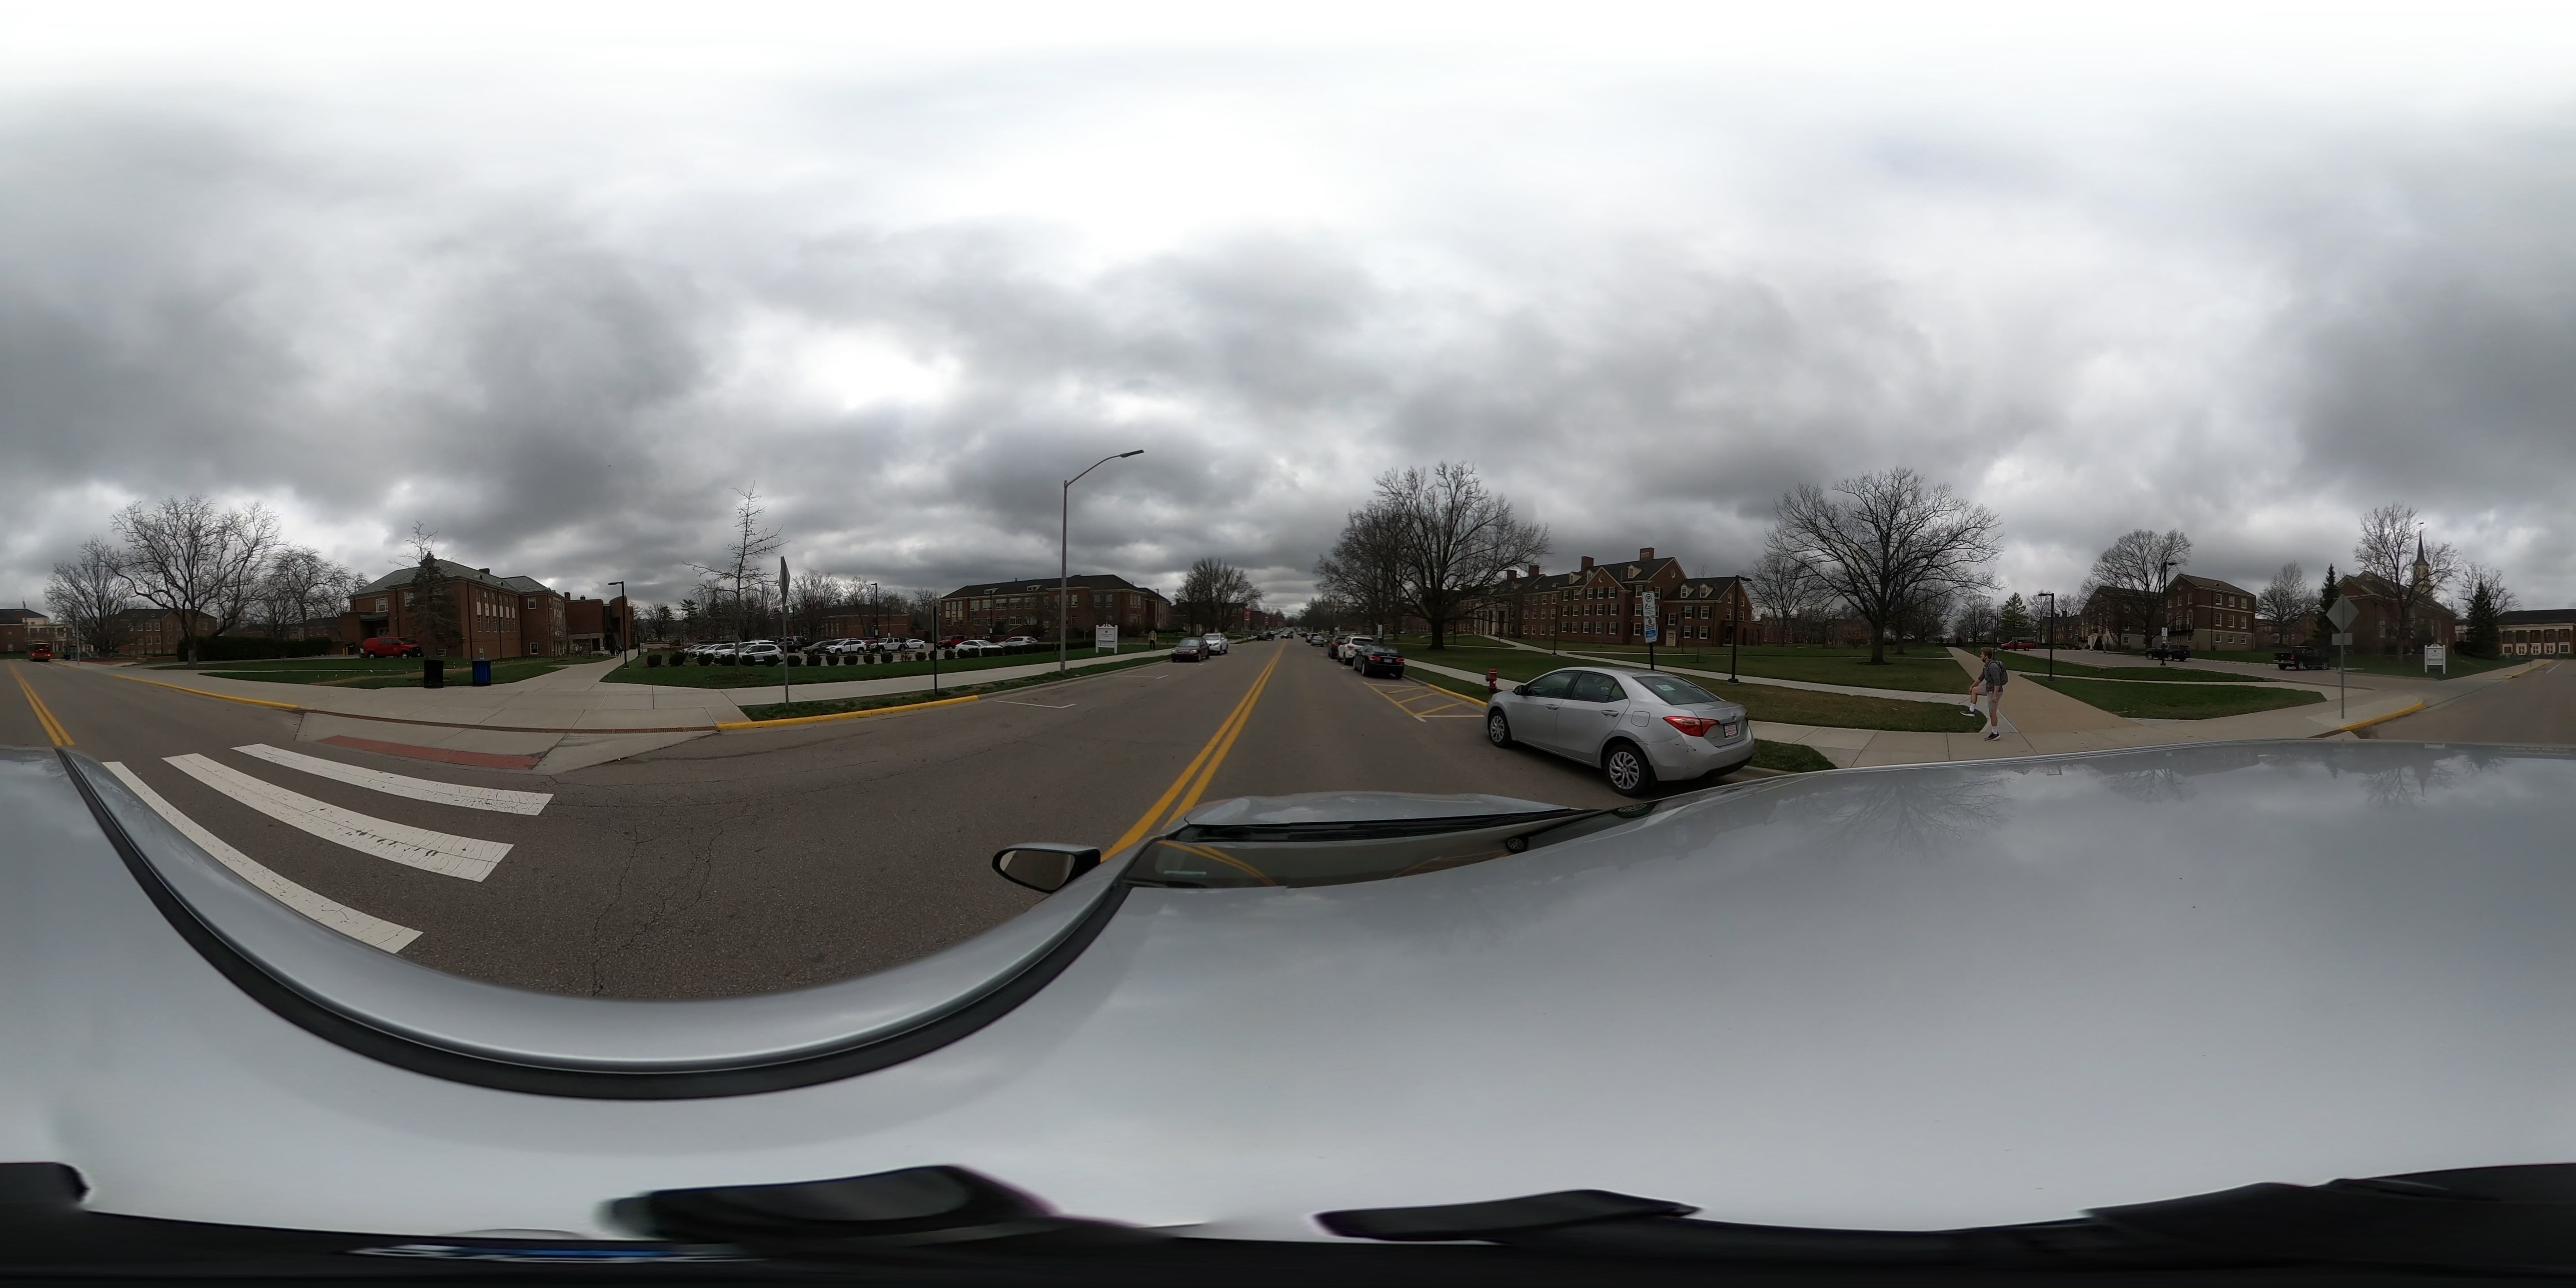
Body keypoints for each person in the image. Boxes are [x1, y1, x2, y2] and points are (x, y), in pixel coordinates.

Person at [1972, 646, 2009, 740]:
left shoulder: (1993, 667)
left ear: (1987, 656)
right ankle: (1971, 710)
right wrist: (1972, 686)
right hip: (1989, 689)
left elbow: (1997, 682)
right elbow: (1981, 677)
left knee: (1992, 712)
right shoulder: (1986, 665)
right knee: (1974, 690)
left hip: (1995, 692)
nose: (1980, 656)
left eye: (1982, 654)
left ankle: (1995, 733)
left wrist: (1995, 696)